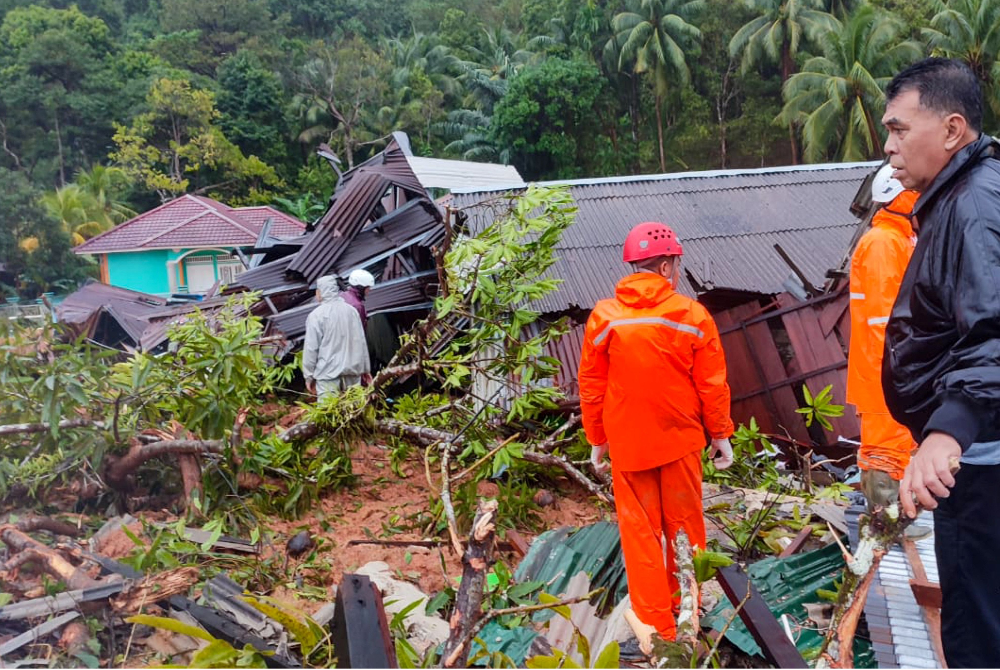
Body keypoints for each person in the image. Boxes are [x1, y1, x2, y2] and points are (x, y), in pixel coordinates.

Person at [881, 57, 1000, 668]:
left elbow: (994, 327)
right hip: (972, 455)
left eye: (899, 129)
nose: (889, 147)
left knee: (977, 628)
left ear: (952, 130)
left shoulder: (973, 206)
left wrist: (949, 430)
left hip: (978, 464)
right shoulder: (959, 197)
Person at [578, 221, 734, 653]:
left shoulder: (605, 317)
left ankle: (656, 630)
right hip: (680, 442)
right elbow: (712, 384)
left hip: (629, 447)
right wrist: (720, 434)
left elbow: (592, 385)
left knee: (641, 536)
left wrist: (597, 439)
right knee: (685, 530)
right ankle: (687, 612)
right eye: (676, 264)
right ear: (666, 266)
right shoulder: (692, 315)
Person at [846, 166, 924, 520]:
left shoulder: (900, 239)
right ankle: (885, 522)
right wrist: (903, 369)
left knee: (901, 448)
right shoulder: (883, 243)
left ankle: (897, 521)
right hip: (885, 372)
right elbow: (884, 322)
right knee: (884, 453)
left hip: (895, 369)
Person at [302, 275, 371, 398]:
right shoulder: (352, 311)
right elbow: (361, 341)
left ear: (319, 293)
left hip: (327, 377)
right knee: (353, 408)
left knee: (328, 409)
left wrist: (309, 376)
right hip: (352, 374)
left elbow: (311, 349)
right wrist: (366, 369)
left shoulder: (316, 316)